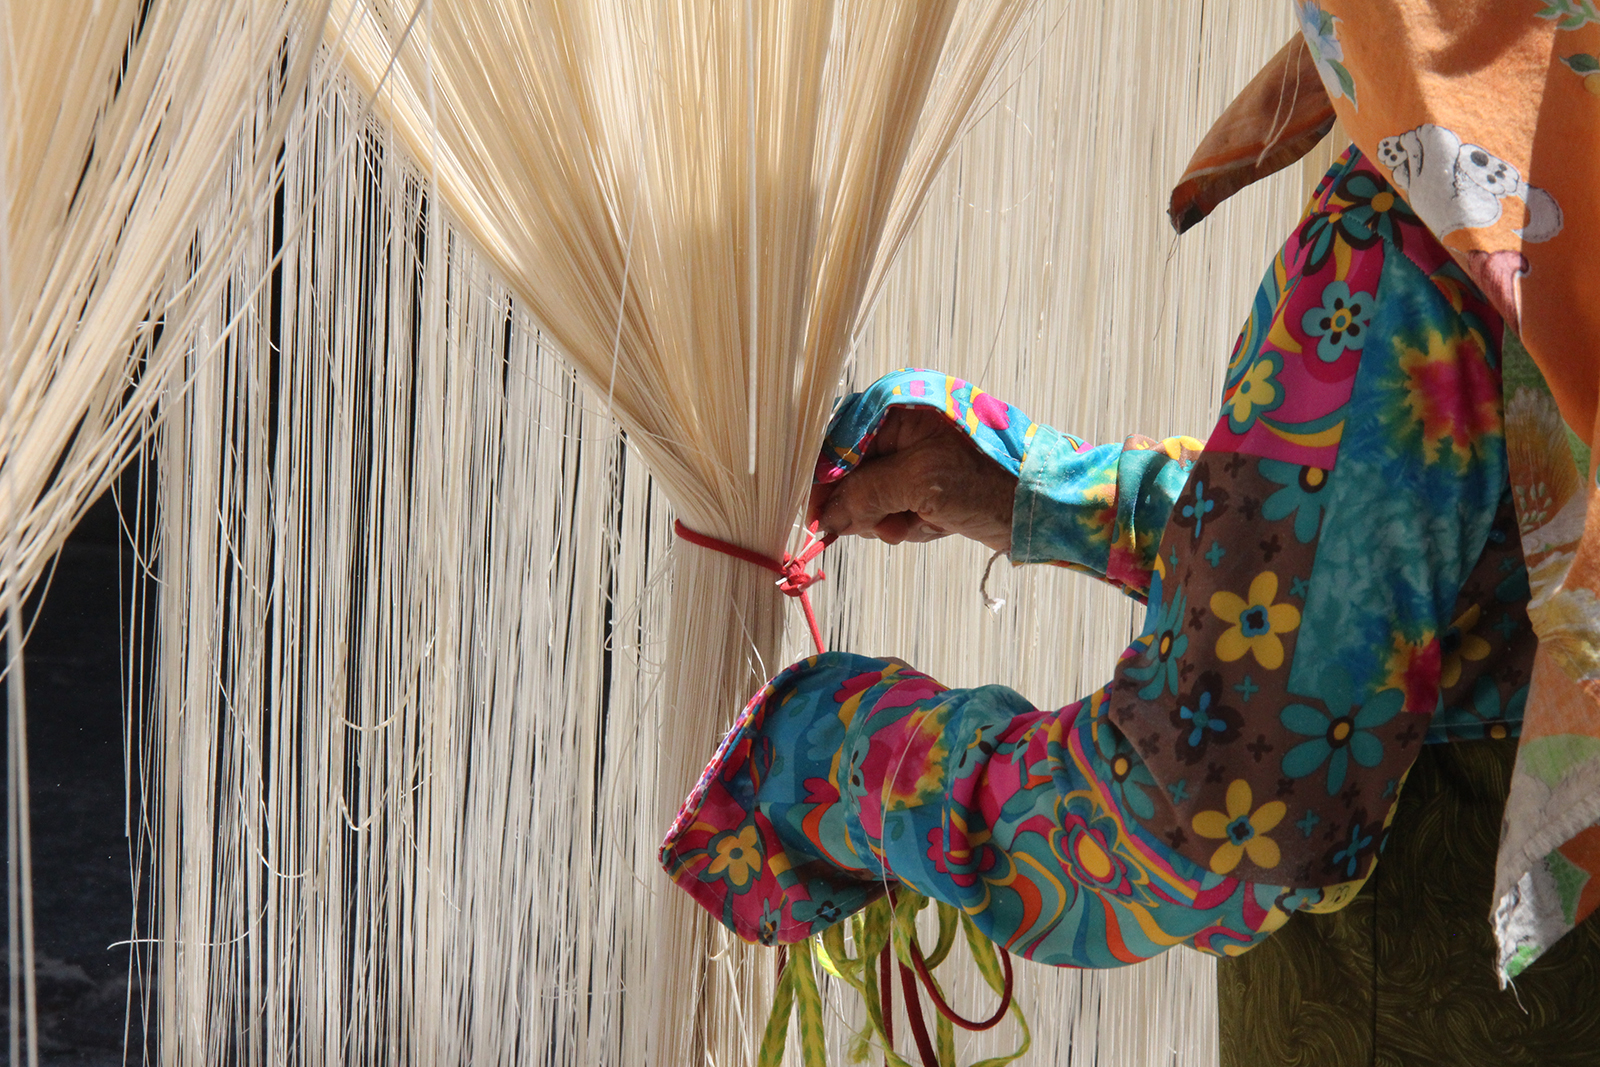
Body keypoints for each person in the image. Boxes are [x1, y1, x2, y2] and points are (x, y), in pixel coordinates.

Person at [662, 146, 1533, 970]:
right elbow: (1365, 562)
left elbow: (1203, 818)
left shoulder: (1415, 222)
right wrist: (1035, 491)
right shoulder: (1538, 144)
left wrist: (834, 762)